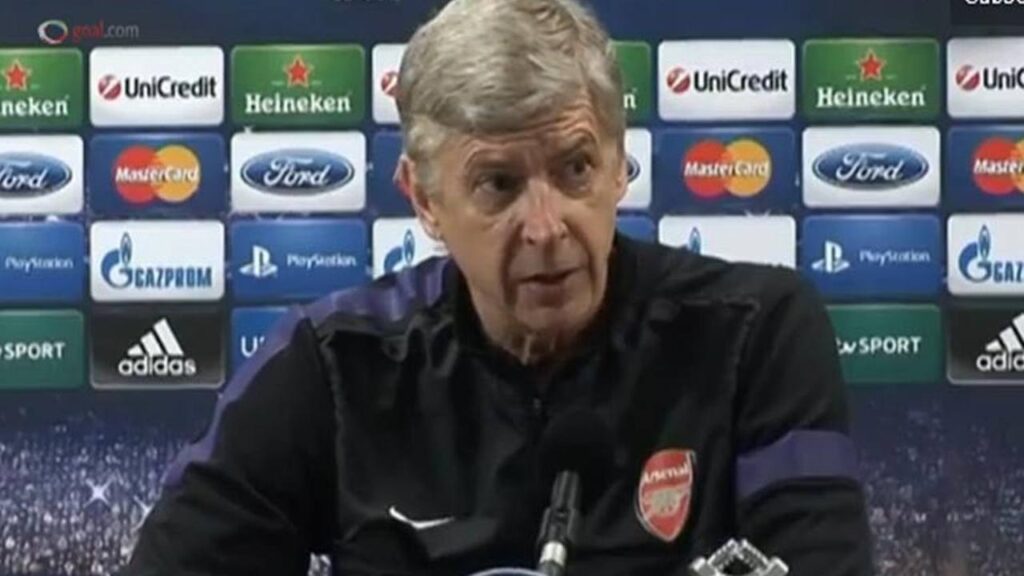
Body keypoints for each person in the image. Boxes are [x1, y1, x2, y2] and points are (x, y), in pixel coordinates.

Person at [122, 0, 875, 574]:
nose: (546, 226)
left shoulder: (754, 334)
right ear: (424, 200)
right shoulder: (333, 366)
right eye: (499, 184)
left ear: (620, 166)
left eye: (575, 168)